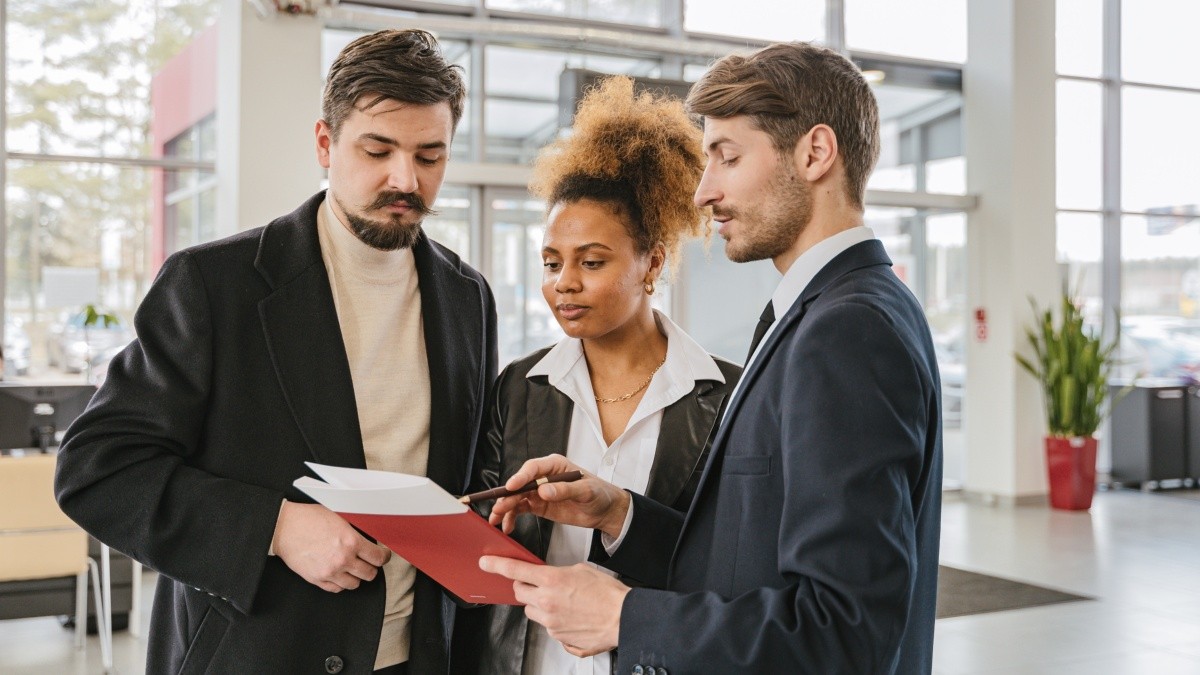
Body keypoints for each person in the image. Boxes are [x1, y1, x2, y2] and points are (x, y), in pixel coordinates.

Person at [479, 41, 943, 674]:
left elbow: (845, 629)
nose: (703, 193)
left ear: (815, 153)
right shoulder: (823, 313)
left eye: (726, 157)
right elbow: (744, 564)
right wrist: (619, 514)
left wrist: (625, 616)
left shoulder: (846, 329)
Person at [54, 29, 497, 675]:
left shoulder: (468, 296)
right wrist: (276, 528)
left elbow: (464, 471)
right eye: (379, 150)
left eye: (430, 156)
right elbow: (98, 470)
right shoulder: (212, 285)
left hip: (419, 656)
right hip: (256, 653)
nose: (406, 178)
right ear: (325, 142)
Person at [456, 77, 741, 675]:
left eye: (592, 261)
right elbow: (485, 544)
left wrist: (620, 514)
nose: (565, 283)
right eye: (553, 263)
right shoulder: (519, 387)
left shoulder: (728, 396)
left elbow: (727, 566)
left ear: (652, 262)